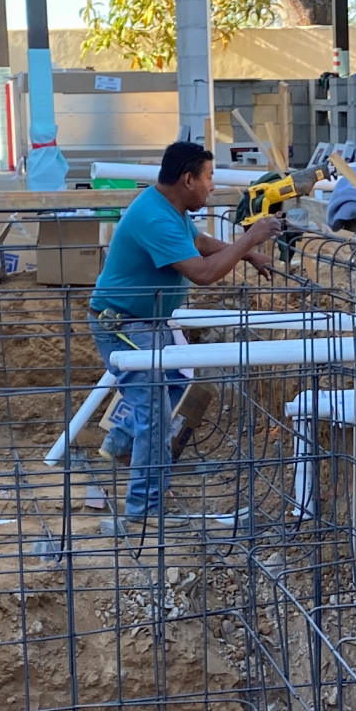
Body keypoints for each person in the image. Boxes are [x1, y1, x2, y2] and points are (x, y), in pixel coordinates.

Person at [86, 140, 281, 528]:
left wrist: (245, 253)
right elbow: (203, 273)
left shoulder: (166, 205)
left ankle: (121, 445)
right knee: (155, 411)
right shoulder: (155, 217)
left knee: (175, 380)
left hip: (146, 320)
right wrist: (251, 238)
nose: (211, 187)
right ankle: (144, 509)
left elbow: (199, 243)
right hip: (123, 323)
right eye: (208, 178)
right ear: (187, 178)